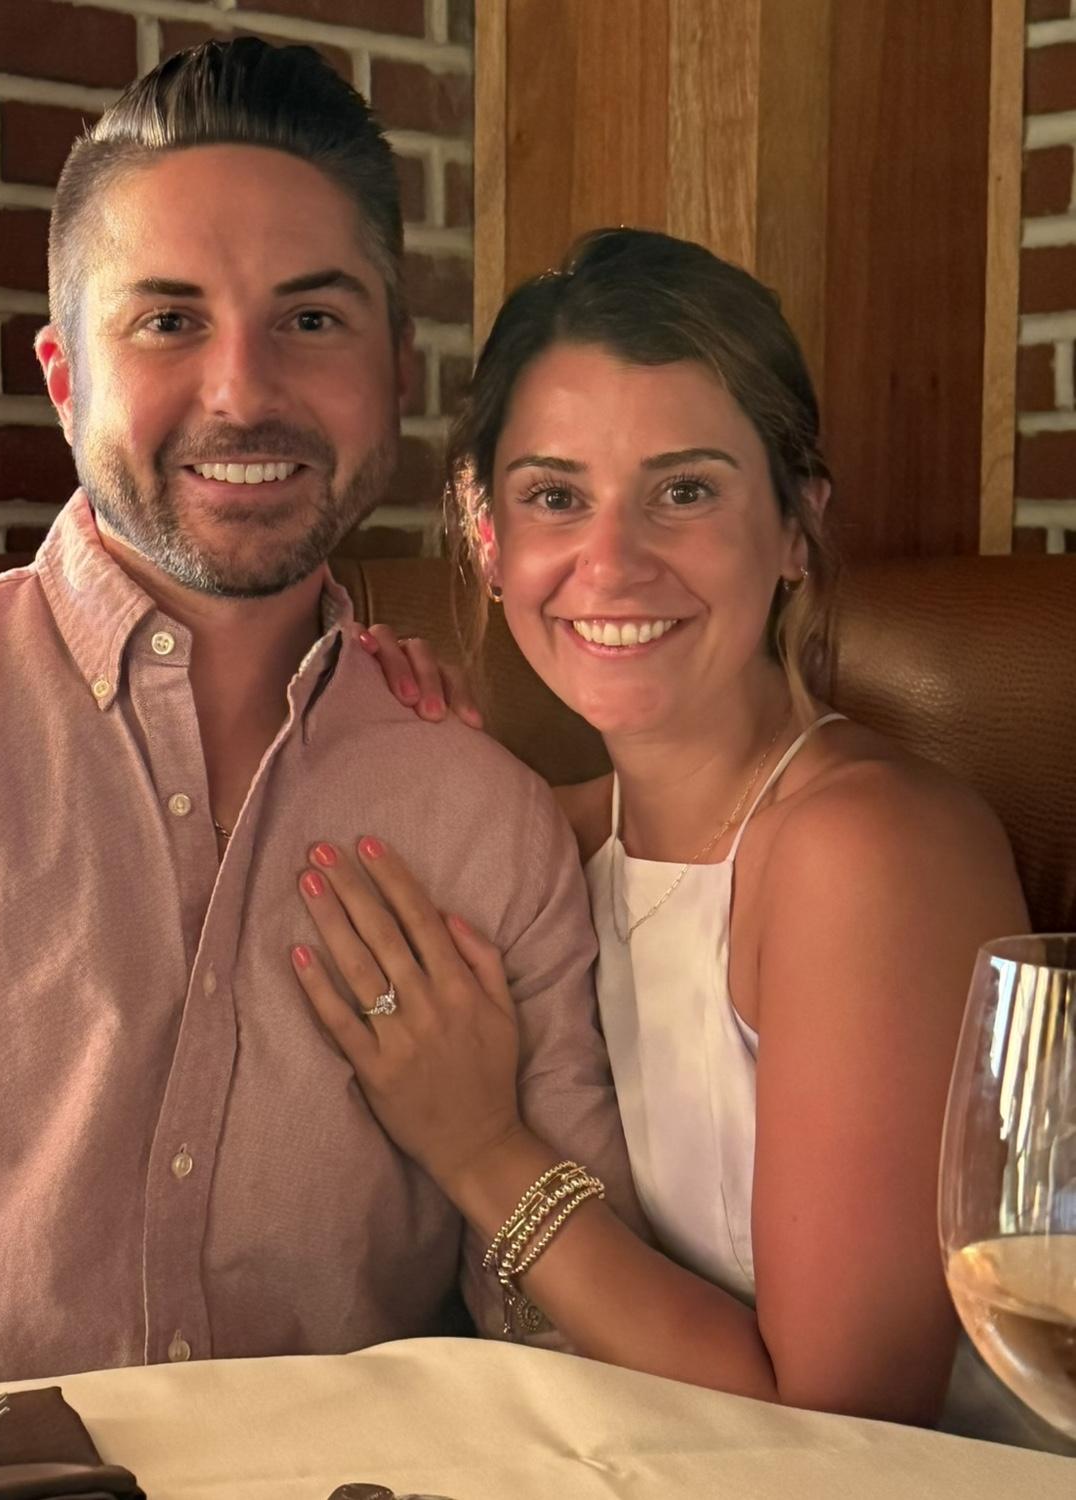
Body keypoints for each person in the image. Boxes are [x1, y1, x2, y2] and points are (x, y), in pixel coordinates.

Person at [0, 41, 637, 1435]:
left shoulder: (482, 815)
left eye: (312, 319)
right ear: (65, 377)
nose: (243, 390)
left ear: (397, 371)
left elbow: (570, 1362)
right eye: (169, 320)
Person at [289, 228, 1033, 1429]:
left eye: (684, 491)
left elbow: (839, 1421)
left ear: (795, 528)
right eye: (556, 497)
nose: (612, 561)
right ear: (487, 537)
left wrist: (481, 1150)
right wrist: (383, 734)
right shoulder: (539, 835)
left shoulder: (866, 848)